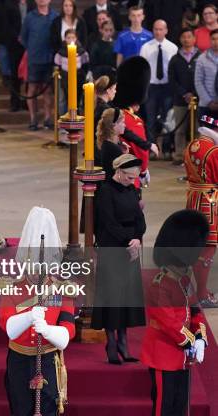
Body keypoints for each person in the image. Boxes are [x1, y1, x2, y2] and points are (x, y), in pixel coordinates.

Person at [0, 206, 75, 416]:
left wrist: (49, 331)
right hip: (19, 361)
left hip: (49, 360)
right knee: (21, 409)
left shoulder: (62, 289)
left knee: (49, 409)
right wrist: (29, 317)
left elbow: (68, 332)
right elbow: (8, 327)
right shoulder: (12, 287)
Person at [142, 210, 209, 416]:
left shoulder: (184, 281)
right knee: (165, 406)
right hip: (163, 354)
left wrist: (200, 337)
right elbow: (169, 322)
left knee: (181, 406)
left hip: (183, 357)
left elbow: (195, 311)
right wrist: (191, 341)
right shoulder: (158, 284)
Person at [91, 154, 147, 364]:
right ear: (119, 172)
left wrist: (137, 239)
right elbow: (108, 222)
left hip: (130, 247)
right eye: (129, 176)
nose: (131, 181)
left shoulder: (132, 190)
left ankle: (123, 342)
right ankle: (111, 343)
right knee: (112, 296)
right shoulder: (105, 191)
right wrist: (128, 241)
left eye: (134, 177)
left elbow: (140, 220)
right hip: (113, 247)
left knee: (126, 296)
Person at [183, 114, 218, 307]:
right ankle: (202, 294)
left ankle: (191, 289)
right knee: (207, 249)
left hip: (194, 198)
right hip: (210, 202)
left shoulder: (192, 145)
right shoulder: (214, 151)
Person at [93, 74, 159, 164]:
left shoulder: (97, 105)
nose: (115, 92)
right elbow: (125, 131)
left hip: (97, 150)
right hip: (101, 152)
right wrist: (148, 145)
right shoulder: (107, 110)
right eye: (114, 89)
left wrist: (119, 143)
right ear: (108, 91)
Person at [139, 19, 178, 159]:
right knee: (150, 120)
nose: (158, 32)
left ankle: (167, 149)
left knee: (168, 119)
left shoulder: (173, 48)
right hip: (152, 87)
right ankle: (152, 149)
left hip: (167, 87)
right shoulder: (146, 47)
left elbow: (175, 70)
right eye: (155, 29)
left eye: (161, 29)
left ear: (166, 30)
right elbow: (142, 69)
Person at [114, 56, 152, 189]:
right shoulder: (133, 121)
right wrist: (143, 171)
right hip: (129, 175)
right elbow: (141, 151)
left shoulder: (113, 114)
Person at [20, 0, 57, 131]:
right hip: (34, 59)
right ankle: (33, 119)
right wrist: (32, 49)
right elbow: (23, 38)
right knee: (32, 90)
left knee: (48, 91)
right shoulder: (30, 17)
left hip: (49, 59)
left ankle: (48, 118)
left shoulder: (55, 16)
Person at [169, 28, 201, 165]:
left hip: (199, 99)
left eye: (189, 36)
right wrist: (184, 94)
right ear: (180, 39)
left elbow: (203, 78)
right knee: (180, 130)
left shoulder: (201, 57)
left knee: (198, 129)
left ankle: (198, 156)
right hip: (180, 100)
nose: (186, 39)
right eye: (184, 37)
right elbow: (172, 80)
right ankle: (179, 156)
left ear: (194, 39)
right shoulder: (175, 59)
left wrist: (194, 93)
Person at [0, 0, 28, 112]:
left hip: (29, 44)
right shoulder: (9, 4)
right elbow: (6, 24)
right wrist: (17, 37)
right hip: (14, 43)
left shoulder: (31, 4)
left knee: (28, 76)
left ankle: (27, 101)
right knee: (14, 73)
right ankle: (15, 102)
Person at [54, 29, 89, 114]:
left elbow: (85, 65)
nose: (71, 40)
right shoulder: (60, 53)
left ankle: (78, 118)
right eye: (68, 38)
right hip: (64, 78)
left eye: (73, 38)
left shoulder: (82, 52)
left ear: (76, 38)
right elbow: (57, 65)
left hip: (78, 77)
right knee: (64, 99)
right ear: (64, 39)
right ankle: (63, 118)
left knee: (78, 99)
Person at [96, 107, 127, 180]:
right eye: (122, 122)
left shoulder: (107, 142)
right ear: (114, 124)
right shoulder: (112, 148)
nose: (124, 125)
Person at [194, 29, 218, 119]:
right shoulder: (202, 58)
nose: (216, 42)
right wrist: (209, 102)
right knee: (207, 132)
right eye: (213, 39)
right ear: (210, 40)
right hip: (206, 106)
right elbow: (198, 82)